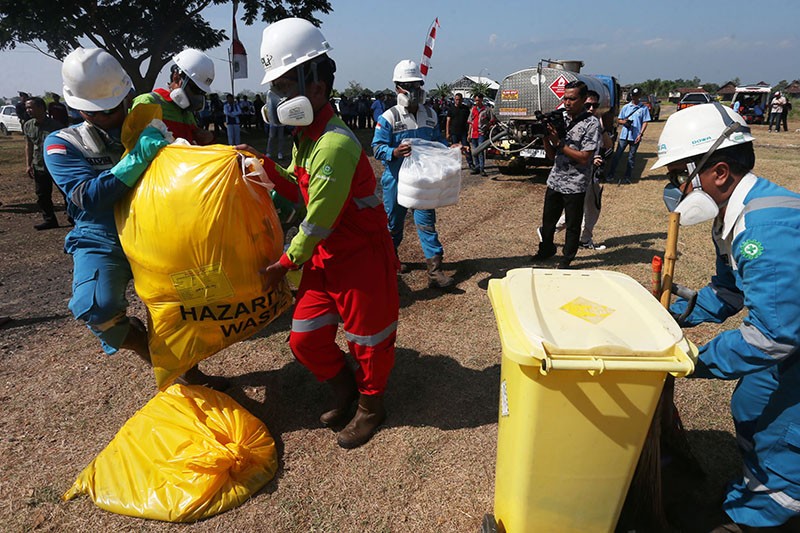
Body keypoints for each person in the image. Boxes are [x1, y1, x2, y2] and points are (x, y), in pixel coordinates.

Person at [242, 18, 399, 449]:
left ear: (316, 87)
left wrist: (285, 263)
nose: (277, 98)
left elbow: (317, 219)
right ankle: (345, 386)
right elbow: (297, 186)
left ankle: (372, 406)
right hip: (326, 256)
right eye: (275, 86)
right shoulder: (306, 137)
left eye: (284, 85)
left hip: (360, 258)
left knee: (368, 339)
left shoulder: (334, 144)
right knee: (305, 339)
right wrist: (263, 166)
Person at [43, 47, 227, 390]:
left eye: (117, 107)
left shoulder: (148, 122)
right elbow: (89, 197)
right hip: (102, 235)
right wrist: (138, 156)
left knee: (179, 308)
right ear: (79, 107)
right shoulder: (62, 143)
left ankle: (189, 372)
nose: (112, 117)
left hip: (157, 228)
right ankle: (144, 347)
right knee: (95, 307)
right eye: (101, 112)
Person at [654, 102, 800, 531]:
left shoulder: (763, 230)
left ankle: (765, 517)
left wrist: (692, 361)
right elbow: (727, 291)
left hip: (792, 339)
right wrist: (668, 315)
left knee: (779, 427)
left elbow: (774, 337)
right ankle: (759, 489)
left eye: (682, 173)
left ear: (719, 172)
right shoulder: (733, 216)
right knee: (751, 401)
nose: (677, 187)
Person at [372, 59, 456, 288]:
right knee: (393, 225)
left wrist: (450, 149)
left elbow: (437, 142)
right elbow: (377, 148)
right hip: (396, 181)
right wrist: (394, 151)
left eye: (417, 85)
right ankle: (390, 262)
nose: (414, 91)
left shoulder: (430, 115)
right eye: (408, 86)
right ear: (397, 88)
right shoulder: (389, 117)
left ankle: (435, 271)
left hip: (422, 183)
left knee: (427, 224)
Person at [531, 80, 599, 269]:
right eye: (565, 98)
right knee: (548, 221)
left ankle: (567, 258)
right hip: (556, 180)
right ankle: (546, 249)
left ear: (584, 99)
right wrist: (546, 137)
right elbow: (553, 156)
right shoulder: (561, 119)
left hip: (575, 183)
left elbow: (585, 158)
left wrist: (559, 143)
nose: (567, 102)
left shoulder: (591, 124)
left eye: (572, 98)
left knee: (572, 224)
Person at [554, 90, 612, 250]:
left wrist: (601, 127)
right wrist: (591, 158)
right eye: (588, 105)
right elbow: (573, 150)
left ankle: (583, 238)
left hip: (592, 174)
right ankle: (551, 230)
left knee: (589, 208)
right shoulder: (577, 124)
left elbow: (608, 145)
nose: (592, 108)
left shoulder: (594, 123)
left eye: (595, 105)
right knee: (581, 209)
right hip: (580, 176)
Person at [131, 49, 215, 145]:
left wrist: (204, 137)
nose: (197, 96)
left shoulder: (187, 113)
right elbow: (137, 147)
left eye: (201, 92)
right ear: (176, 77)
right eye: (195, 89)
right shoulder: (148, 102)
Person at [24, 97, 67, 230]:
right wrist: (28, 164)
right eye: (27, 108)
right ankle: (49, 220)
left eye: (31, 107)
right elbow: (28, 145)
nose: (28, 110)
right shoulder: (28, 125)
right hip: (39, 165)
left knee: (66, 192)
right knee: (42, 195)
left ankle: (74, 217)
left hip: (56, 165)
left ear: (41, 108)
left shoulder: (55, 126)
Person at [609, 87, 650, 184]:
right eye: (633, 96)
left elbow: (645, 122)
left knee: (631, 157)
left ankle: (627, 176)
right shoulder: (626, 107)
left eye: (637, 96)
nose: (635, 98)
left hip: (635, 136)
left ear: (639, 96)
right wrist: (624, 122)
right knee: (617, 155)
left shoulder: (643, 108)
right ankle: (611, 174)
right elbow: (619, 119)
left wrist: (640, 134)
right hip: (624, 136)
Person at [445, 92, 474, 171]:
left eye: (459, 100)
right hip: (454, 133)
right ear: (454, 100)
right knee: (455, 150)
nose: (458, 101)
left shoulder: (465, 109)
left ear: (462, 100)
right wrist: (447, 133)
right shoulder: (451, 109)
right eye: (456, 99)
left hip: (463, 132)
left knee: (467, 148)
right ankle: (455, 165)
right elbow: (448, 121)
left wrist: (469, 132)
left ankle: (471, 164)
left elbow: (469, 121)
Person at [468, 93, 491, 176]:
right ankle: (476, 167)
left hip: (481, 133)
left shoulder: (486, 110)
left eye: (478, 100)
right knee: (475, 151)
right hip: (473, 133)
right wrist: (469, 133)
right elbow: (470, 122)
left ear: (482, 100)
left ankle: (482, 168)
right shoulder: (473, 109)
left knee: (480, 151)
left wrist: (486, 127)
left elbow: (492, 120)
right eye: (476, 100)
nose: (477, 102)